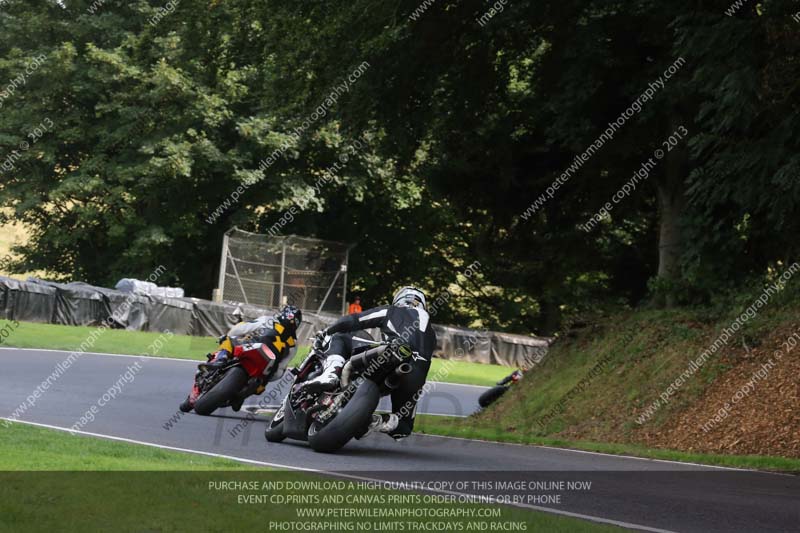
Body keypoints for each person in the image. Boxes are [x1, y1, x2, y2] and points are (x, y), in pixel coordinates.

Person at [303, 287, 436, 440]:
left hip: (389, 354)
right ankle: (374, 422)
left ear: (399, 300)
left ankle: (331, 373)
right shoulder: (431, 332)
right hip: (416, 375)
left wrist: (328, 330)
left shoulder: (391, 311)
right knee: (404, 427)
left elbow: (354, 320)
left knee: (340, 336)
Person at [185, 305, 302, 411]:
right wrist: (269, 377)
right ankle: (241, 395)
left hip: (251, 348)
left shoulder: (269, 320)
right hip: (267, 367)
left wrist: (228, 335)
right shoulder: (294, 344)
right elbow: (280, 370)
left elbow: (242, 328)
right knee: (260, 385)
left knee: (228, 341)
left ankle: (221, 359)